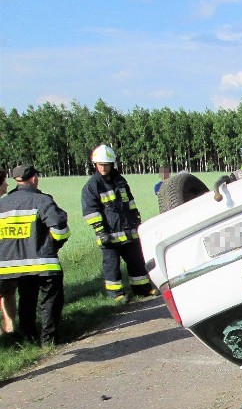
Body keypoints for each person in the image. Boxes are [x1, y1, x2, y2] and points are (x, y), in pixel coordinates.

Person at [0, 164, 70, 345]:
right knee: (50, 301)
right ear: (34, 179)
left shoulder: (2, 204)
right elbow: (60, 229)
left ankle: (28, 337)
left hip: (13, 267)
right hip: (44, 262)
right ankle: (49, 340)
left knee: (27, 300)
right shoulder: (42, 200)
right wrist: (54, 246)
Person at [81, 144, 157, 301]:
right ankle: (116, 295)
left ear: (111, 164)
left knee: (136, 261)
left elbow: (130, 202)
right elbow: (91, 212)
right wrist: (100, 231)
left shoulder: (120, 181)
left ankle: (143, 289)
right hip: (108, 235)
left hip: (128, 230)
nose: (103, 168)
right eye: (100, 165)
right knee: (111, 267)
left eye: (106, 164)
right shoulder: (92, 186)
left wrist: (136, 219)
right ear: (95, 164)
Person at [0, 168, 18, 334]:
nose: (6, 185)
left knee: (9, 292)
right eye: (4, 182)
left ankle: (10, 329)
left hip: (5, 259)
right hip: (5, 259)